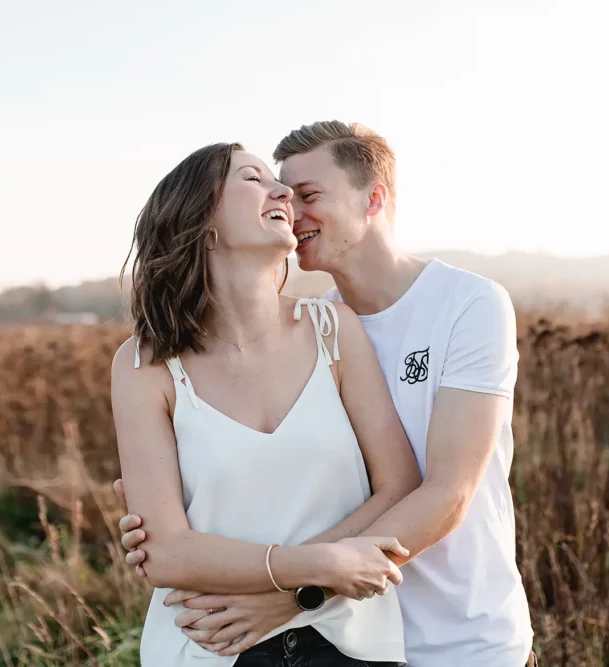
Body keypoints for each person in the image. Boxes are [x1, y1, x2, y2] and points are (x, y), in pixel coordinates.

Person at [116, 122, 538, 666]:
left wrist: (293, 596)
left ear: (373, 199)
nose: (291, 207)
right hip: (343, 639)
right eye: (282, 193)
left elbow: (445, 494)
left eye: (308, 195)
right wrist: (169, 519)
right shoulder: (321, 324)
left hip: (457, 636)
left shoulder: (463, 305)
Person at [111, 141, 422, 666]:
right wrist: (318, 565)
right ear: (200, 219)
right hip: (210, 644)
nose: (283, 191)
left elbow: (399, 487)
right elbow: (165, 551)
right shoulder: (146, 363)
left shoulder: (333, 330)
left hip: (349, 643)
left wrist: (297, 593)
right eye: (253, 179)